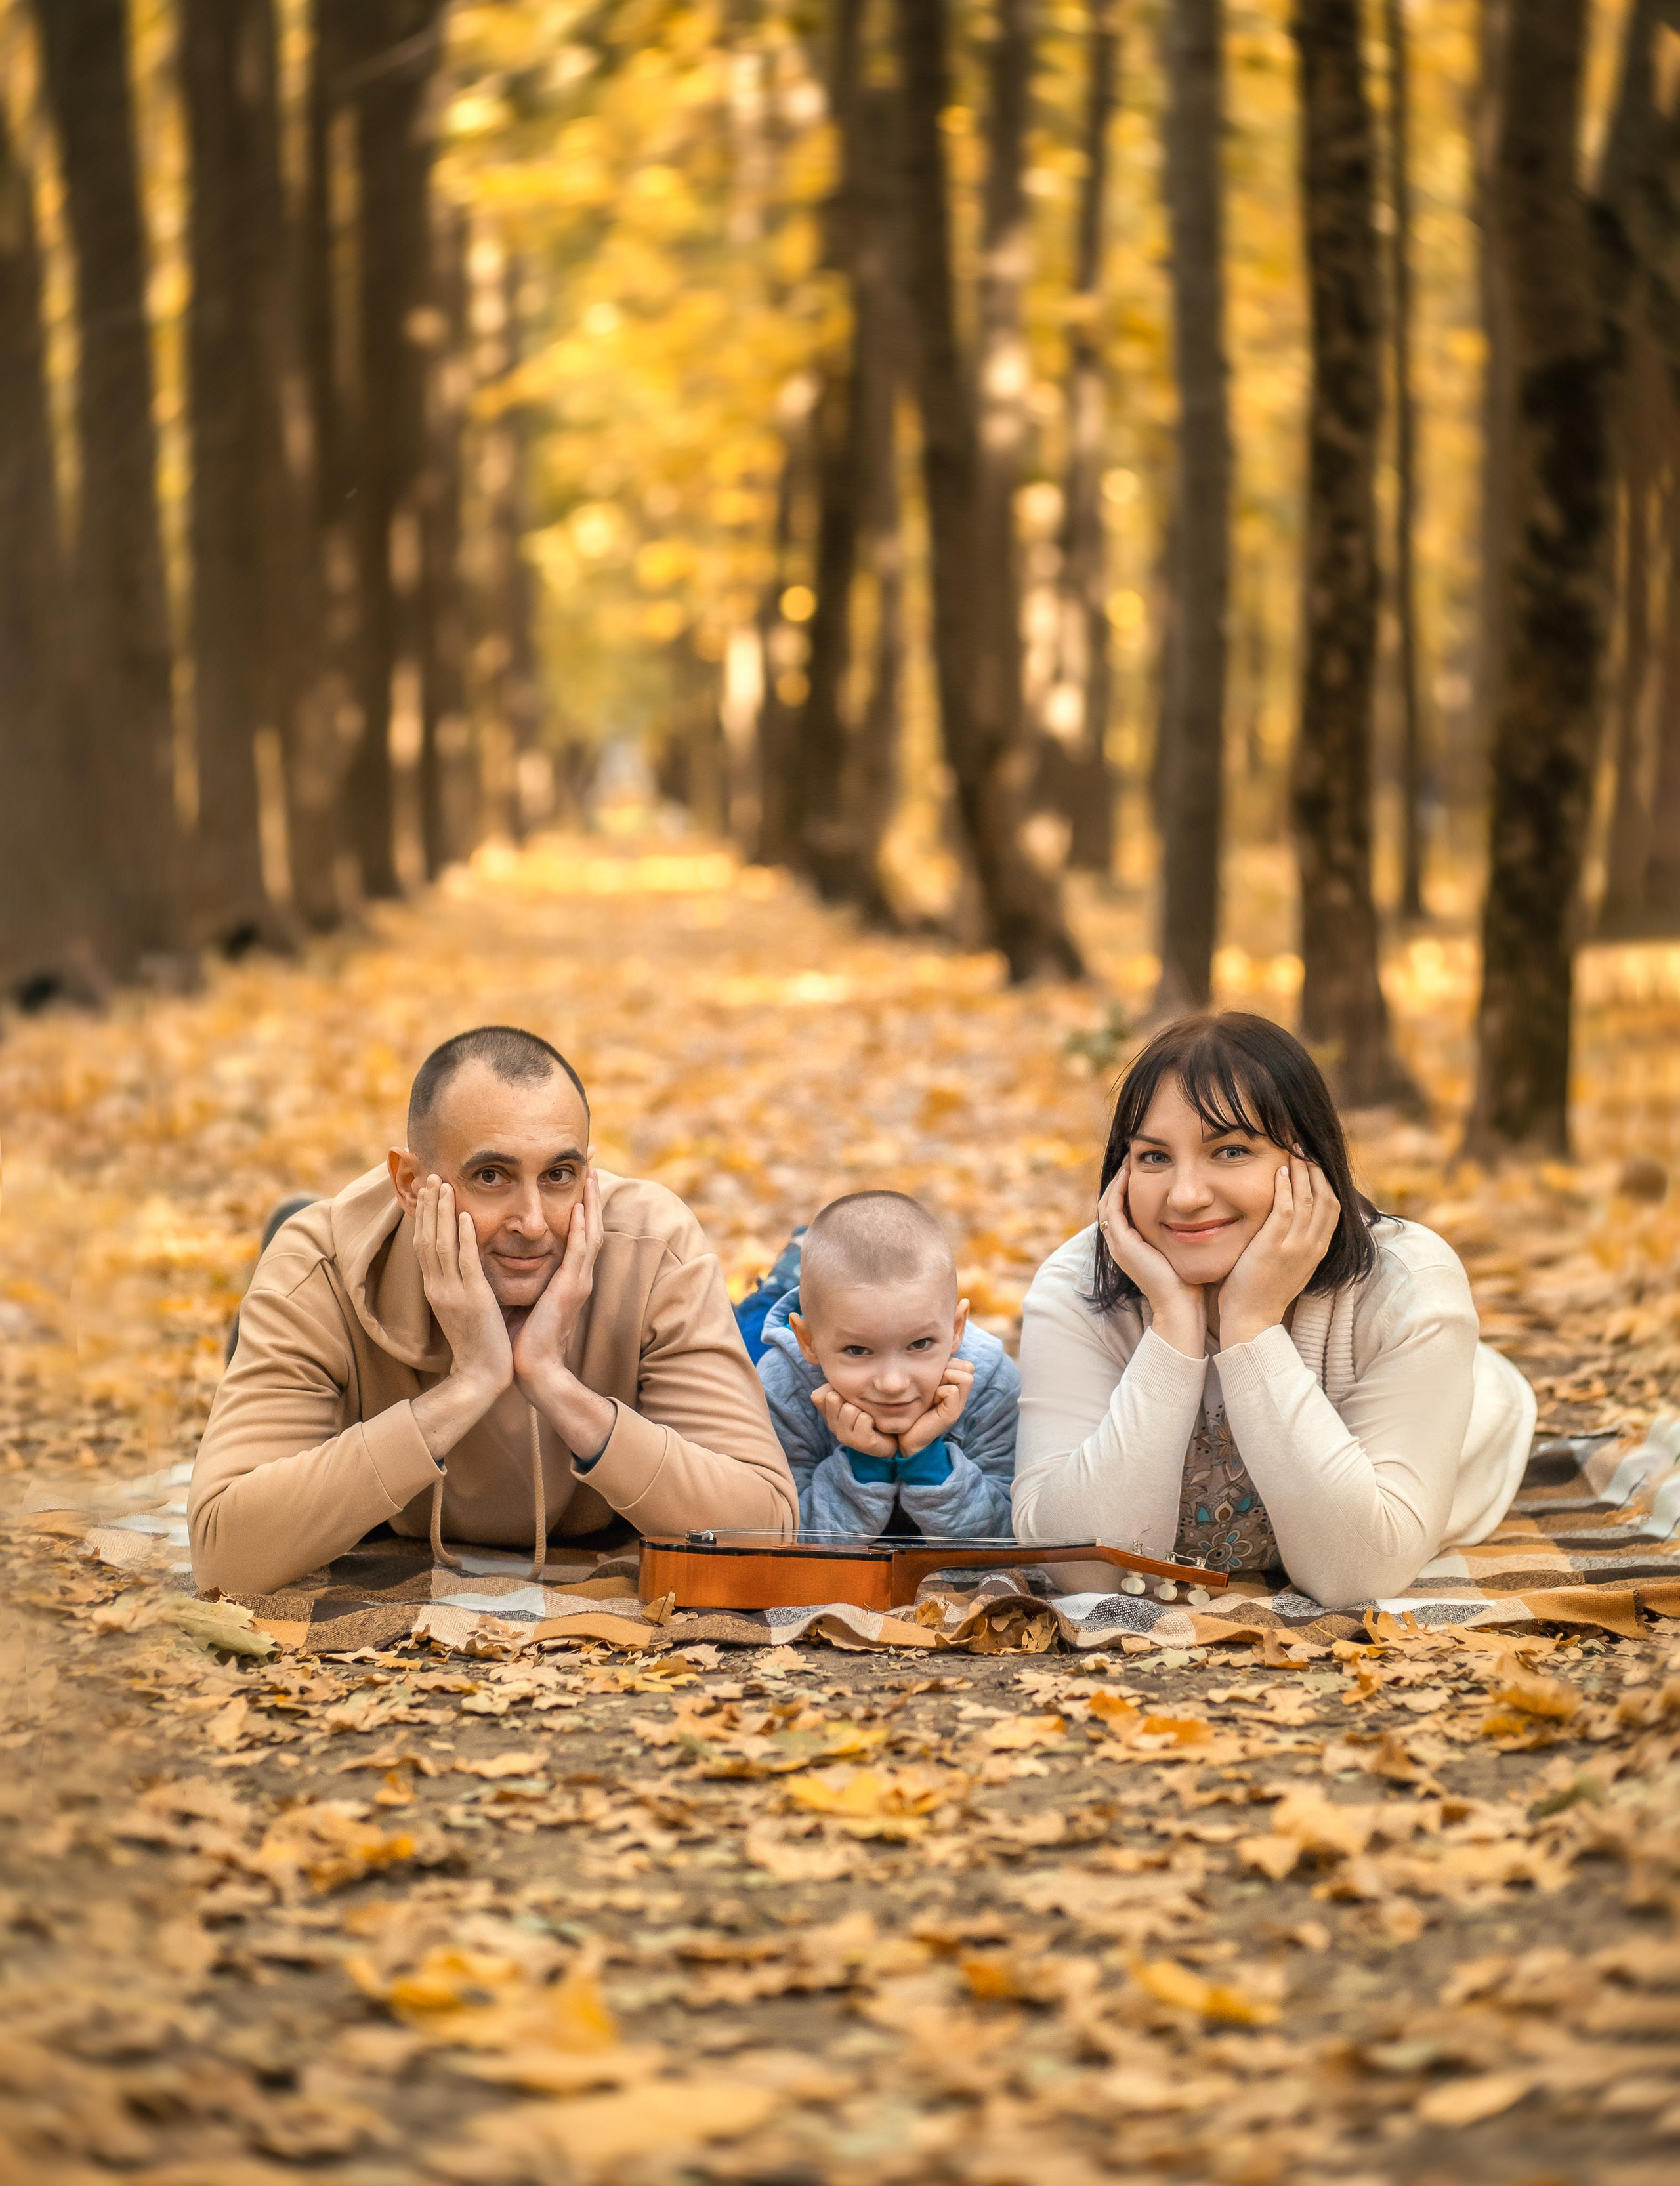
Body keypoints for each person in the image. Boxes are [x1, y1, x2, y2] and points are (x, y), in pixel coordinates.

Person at [190, 1026, 795, 1596]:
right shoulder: (316, 1266)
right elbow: (225, 1557)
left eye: (560, 1174)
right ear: (408, 1182)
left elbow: (770, 1531)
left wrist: (554, 1383)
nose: (532, 1223)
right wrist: (471, 1381)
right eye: (491, 1175)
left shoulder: (654, 1247)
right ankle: (263, 1336)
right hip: (343, 1308)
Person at [1012, 1014, 1536, 1608]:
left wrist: (1251, 1327)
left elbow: (1356, 1574)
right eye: (1154, 1158)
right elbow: (1082, 1569)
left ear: (1310, 1161)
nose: (1185, 1196)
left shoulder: (1412, 1289)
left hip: (1458, 1410)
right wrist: (1175, 1330)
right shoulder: (1075, 1286)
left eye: (1230, 1150)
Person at [756, 1192, 1018, 1536]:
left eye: (920, 1344)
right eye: (858, 1350)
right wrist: (865, 1462)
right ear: (809, 1342)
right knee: (748, 1330)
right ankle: (784, 1281)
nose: (893, 1383)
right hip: (785, 1350)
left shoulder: (992, 1382)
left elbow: (1009, 1540)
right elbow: (783, 1540)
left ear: (957, 1329)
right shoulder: (782, 1386)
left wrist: (928, 1459)